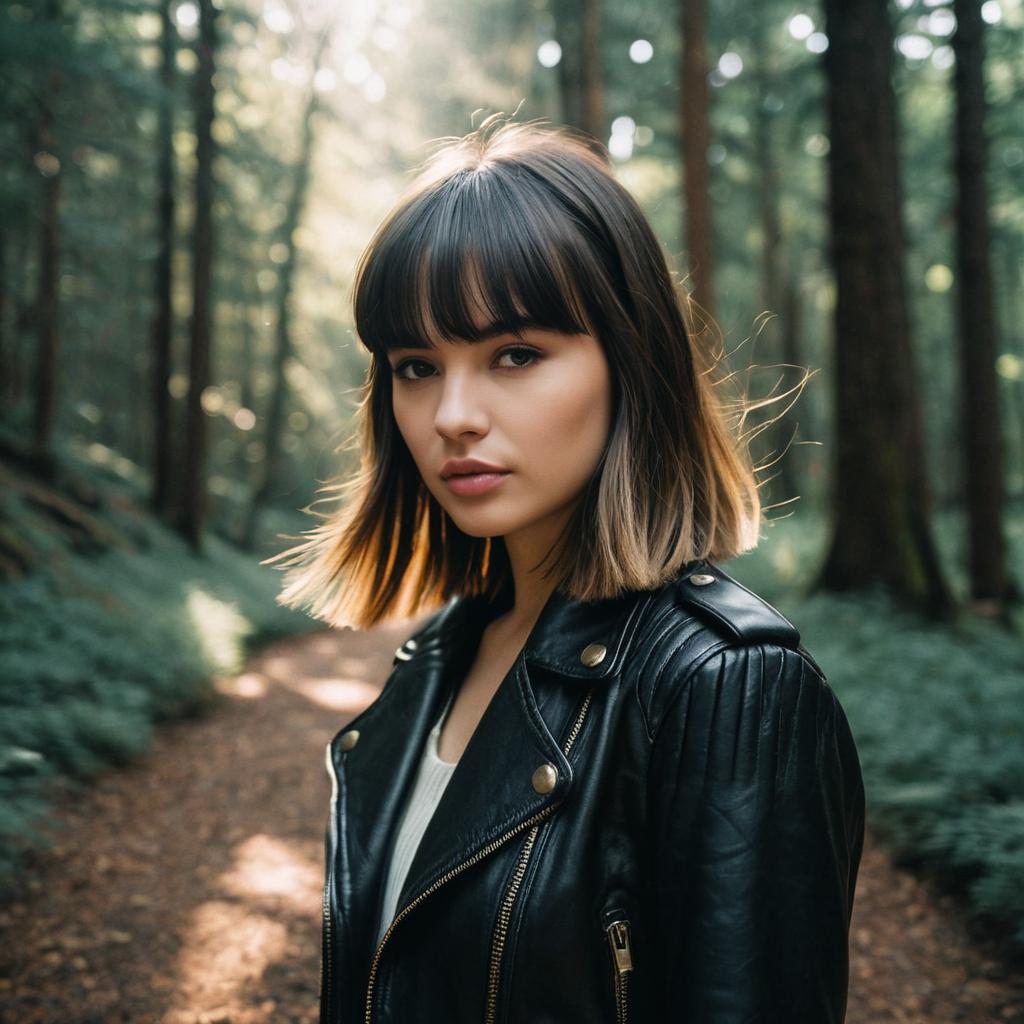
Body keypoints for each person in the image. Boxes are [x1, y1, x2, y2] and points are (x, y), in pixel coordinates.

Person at [266, 114, 865, 1024]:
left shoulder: (730, 688)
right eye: (416, 366)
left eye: (515, 354)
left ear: (631, 362)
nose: (451, 415)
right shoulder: (438, 652)